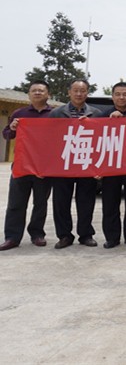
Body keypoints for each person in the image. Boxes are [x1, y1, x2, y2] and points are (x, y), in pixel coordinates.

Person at [50, 78, 102, 249]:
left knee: (86, 201)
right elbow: (48, 139)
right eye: (75, 90)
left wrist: (99, 166)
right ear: (69, 92)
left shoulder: (96, 114)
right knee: (61, 202)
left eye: (83, 90)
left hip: (87, 163)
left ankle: (86, 234)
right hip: (63, 164)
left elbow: (102, 141)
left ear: (87, 93)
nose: (79, 94)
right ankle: (64, 235)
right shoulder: (56, 113)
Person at [0, 80, 53, 251]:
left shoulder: (55, 114)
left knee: (40, 203)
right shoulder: (19, 113)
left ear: (48, 94)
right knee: (16, 203)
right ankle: (12, 237)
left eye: (41, 90)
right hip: (21, 166)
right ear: (29, 94)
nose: (37, 93)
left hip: (43, 167)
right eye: (34, 90)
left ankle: (37, 234)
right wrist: (13, 127)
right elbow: (7, 134)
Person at [99, 82, 126, 249]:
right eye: (117, 94)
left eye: (125, 94)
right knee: (110, 203)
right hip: (110, 166)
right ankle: (112, 237)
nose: (121, 97)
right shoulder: (102, 116)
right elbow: (96, 141)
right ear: (112, 97)